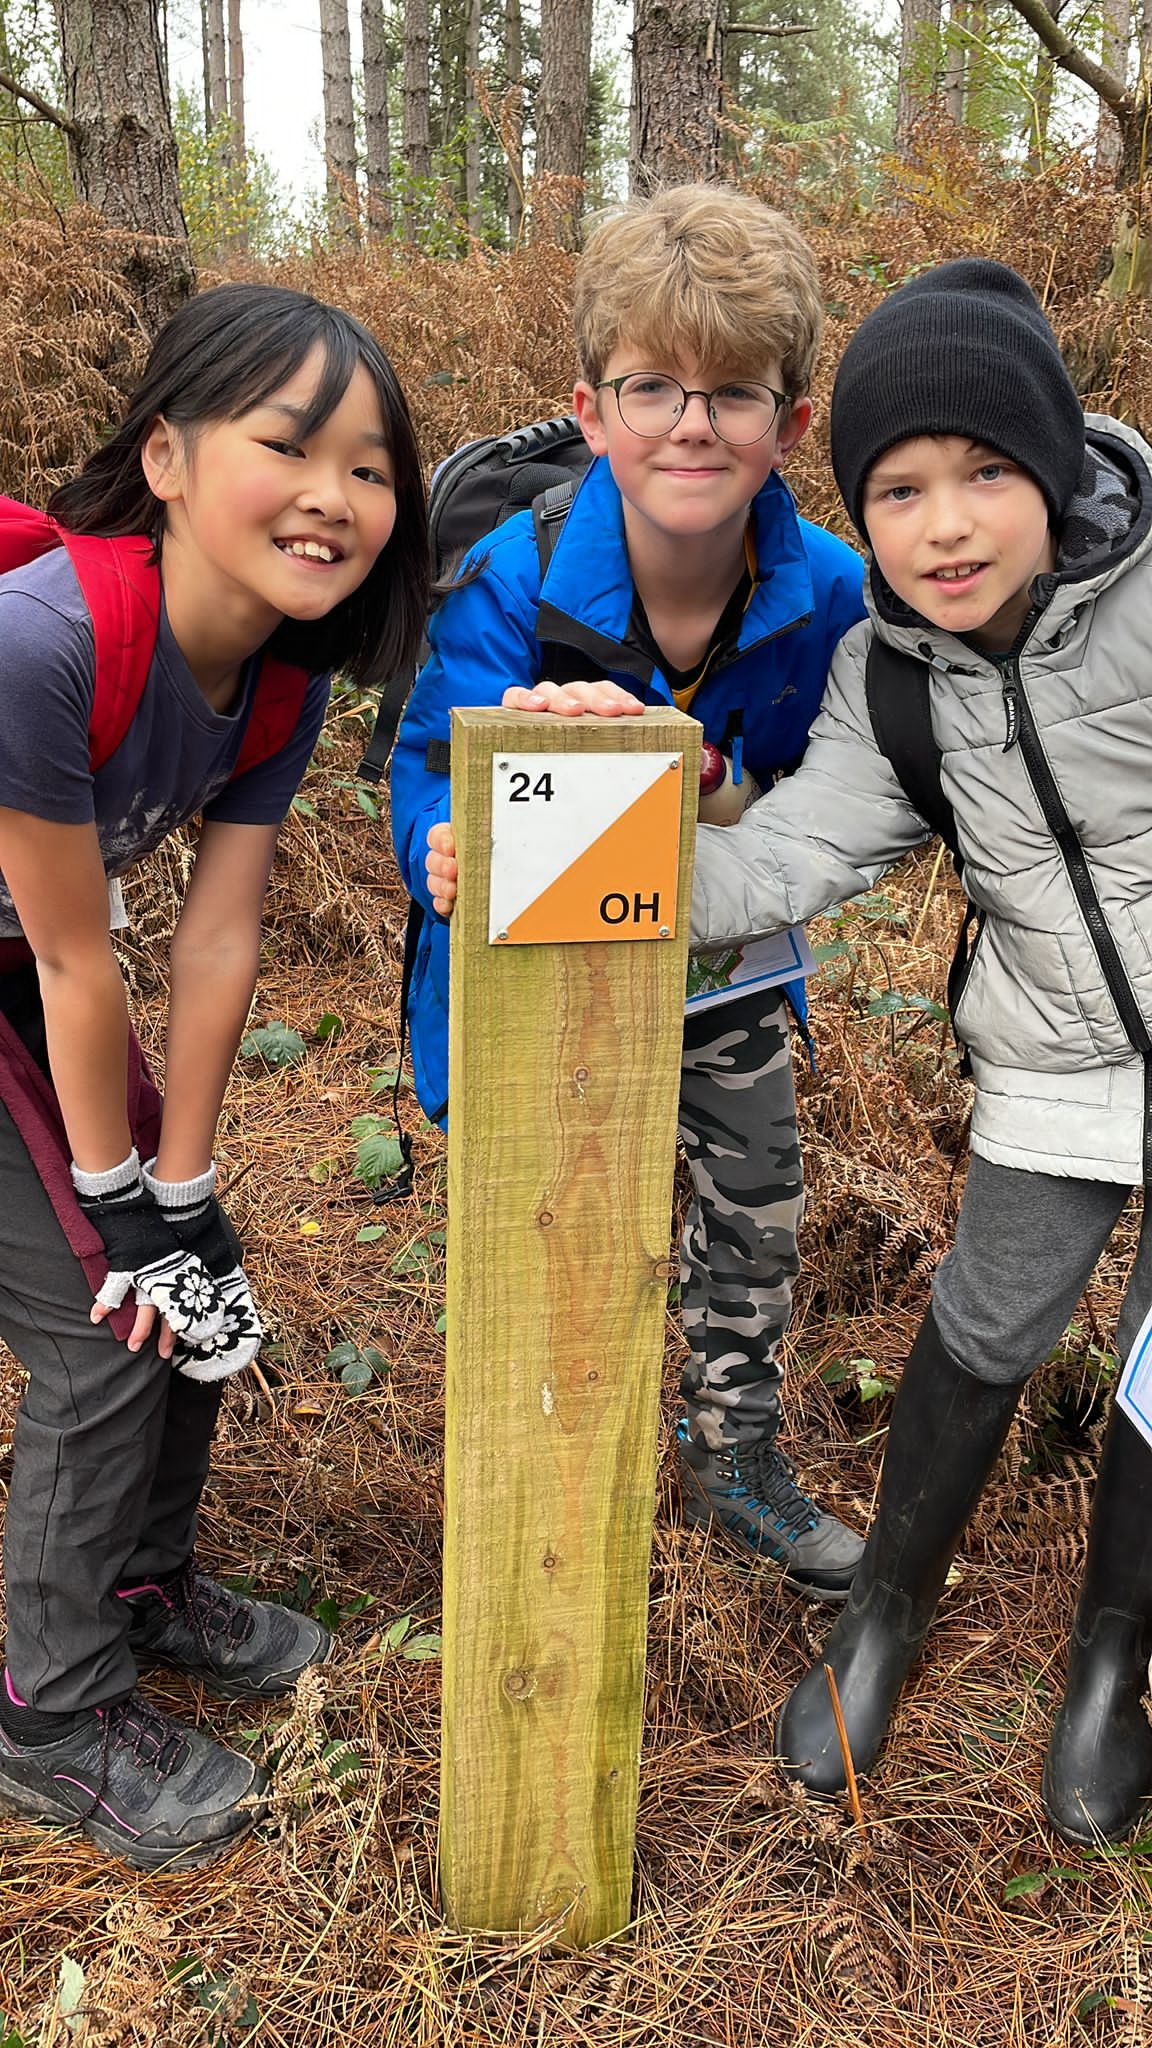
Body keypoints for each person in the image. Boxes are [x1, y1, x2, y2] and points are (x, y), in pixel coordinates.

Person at [673, 257, 1152, 1844]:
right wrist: (612, 850)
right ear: (858, 511)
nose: (945, 525)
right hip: (1061, 1062)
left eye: (987, 475)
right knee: (985, 1323)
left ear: (1059, 470)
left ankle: (1110, 1670)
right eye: (899, 490)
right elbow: (789, 853)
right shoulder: (893, 677)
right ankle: (884, 1606)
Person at [0, 283, 428, 1870]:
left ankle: (142, 1583)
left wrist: (182, 1196)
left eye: (372, 465)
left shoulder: (280, 674)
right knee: (113, 1326)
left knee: (193, 1278)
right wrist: (119, 1212)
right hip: (32, 969)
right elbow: (72, 958)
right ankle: (47, 1708)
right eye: (287, 444)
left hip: (36, 969)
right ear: (167, 457)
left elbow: (217, 939)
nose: (335, 495)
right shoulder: (42, 641)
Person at [396, 184, 867, 1602]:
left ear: (789, 427)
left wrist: (711, 785)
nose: (691, 424)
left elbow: (851, 779)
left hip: (721, 965)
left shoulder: (834, 590)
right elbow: (429, 763)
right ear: (591, 411)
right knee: (542, 1215)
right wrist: (441, 847)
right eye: (651, 388)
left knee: (755, 1204)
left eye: (733, 394)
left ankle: (734, 1455)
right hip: (536, 975)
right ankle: (535, 1455)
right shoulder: (514, 574)